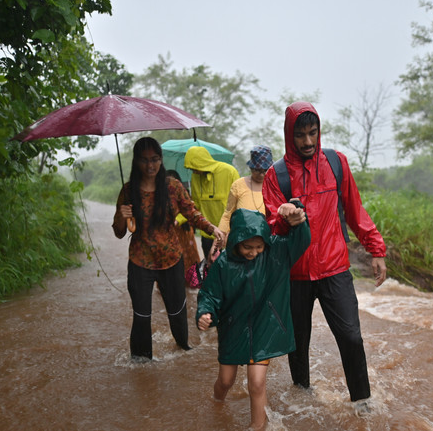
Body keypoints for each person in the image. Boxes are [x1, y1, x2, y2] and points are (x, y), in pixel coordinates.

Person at [262, 101, 387, 413]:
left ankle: (362, 404)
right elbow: (269, 228)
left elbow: (356, 211)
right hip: (294, 274)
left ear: (319, 131)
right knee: (297, 343)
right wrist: (283, 217)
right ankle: (302, 398)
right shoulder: (275, 175)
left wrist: (376, 249)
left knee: (351, 337)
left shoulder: (335, 163)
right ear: (289, 135)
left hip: (334, 269)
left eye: (312, 133)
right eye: (300, 135)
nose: (307, 142)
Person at [196, 204, 310, 430]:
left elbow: (301, 240)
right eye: (248, 247)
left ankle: (256, 426)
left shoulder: (274, 252)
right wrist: (205, 313)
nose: (254, 252)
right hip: (233, 328)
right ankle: (217, 402)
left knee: (257, 384)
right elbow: (209, 293)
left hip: (264, 327)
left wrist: (298, 220)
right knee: (226, 381)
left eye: (259, 246)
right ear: (236, 240)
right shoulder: (223, 263)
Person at [113, 137, 227, 361]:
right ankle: (141, 363)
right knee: (141, 315)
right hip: (140, 262)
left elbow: (191, 213)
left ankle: (183, 350)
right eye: (144, 160)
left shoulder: (172, 187)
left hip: (171, 260)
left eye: (155, 159)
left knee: (177, 312)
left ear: (161, 160)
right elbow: (119, 232)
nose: (150, 166)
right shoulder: (128, 191)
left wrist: (212, 228)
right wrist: (120, 215)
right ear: (136, 161)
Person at [210, 145, 274, 255]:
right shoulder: (239, 185)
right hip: (241, 244)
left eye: (266, 170)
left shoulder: (275, 186)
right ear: (251, 168)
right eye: (258, 170)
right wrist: (218, 241)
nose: (262, 174)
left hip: (265, 245)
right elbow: (227, 214)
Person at [184, 146, 240, 259]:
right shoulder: (195, 177)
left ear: (202, 163)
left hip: (228, 234)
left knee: (230, 270)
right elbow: (195, 205)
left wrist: (234, 229)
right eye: (191, 169)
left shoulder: (229, 171)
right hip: (208, 235)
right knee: (210, 270)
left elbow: (239, 202)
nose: (193, 171)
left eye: (194, 167)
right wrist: (179, 219)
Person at [166, 169, 201, 272]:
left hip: (184, 231)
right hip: (171, 232)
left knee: (189, 256)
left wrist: (178, 220)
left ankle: (190, 280)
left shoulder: (185, 194)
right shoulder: (161, 197)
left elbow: (191, 211)